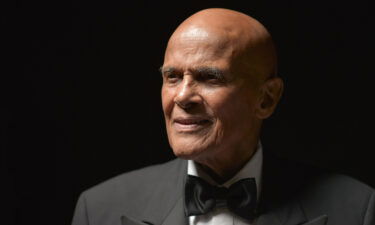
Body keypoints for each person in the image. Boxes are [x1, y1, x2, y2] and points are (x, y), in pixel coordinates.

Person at [71, 8, 374, 225]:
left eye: (210, 78)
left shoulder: (357, 209)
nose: (182, 96)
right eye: (172, 77)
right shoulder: (99, 209)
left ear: (266, 99)